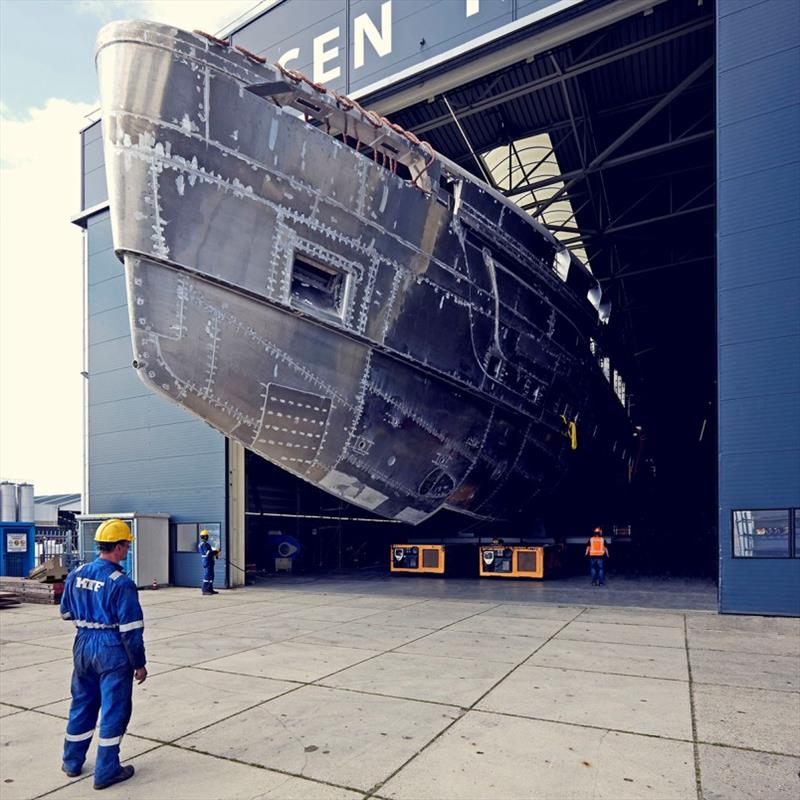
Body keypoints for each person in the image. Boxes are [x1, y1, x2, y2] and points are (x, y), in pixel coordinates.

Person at [59, 518, 147, 790]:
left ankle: (72, 761)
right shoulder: (121, 583)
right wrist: (139, 663)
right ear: (119, 548)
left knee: (82, 703)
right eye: (126, 547)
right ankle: (107, 770)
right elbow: (131, 630)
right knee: (114, 709)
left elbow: (65, 612)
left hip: (83, 644)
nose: (127, 552)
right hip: (111, 649)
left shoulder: (77, 573)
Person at [198, 529, 220, 595]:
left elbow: (211, 551)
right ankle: (205, 590)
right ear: (205, 537)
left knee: (211, 576)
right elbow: (208, 553)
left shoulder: (206, 544)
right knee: (207, 576)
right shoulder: (204, 545)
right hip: (207, 561)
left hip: (209, 561)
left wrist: (215, 552)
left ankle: (210, 589)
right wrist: (216, 552)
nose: (207, 537)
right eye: (207, 536)